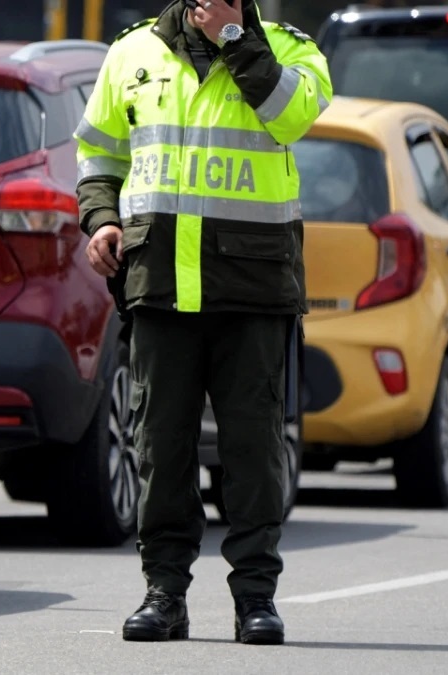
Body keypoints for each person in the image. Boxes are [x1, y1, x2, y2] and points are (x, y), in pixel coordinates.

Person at [74, 0, 331, 646]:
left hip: (253, 285)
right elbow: (98, 151)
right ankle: (164, 592)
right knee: (159, 447)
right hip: (158, 282)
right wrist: (101, 219)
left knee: (252, 449)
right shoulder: (130, 53)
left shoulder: (291, 50)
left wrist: (234, 39)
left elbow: (292, 116)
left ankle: (255, 598)